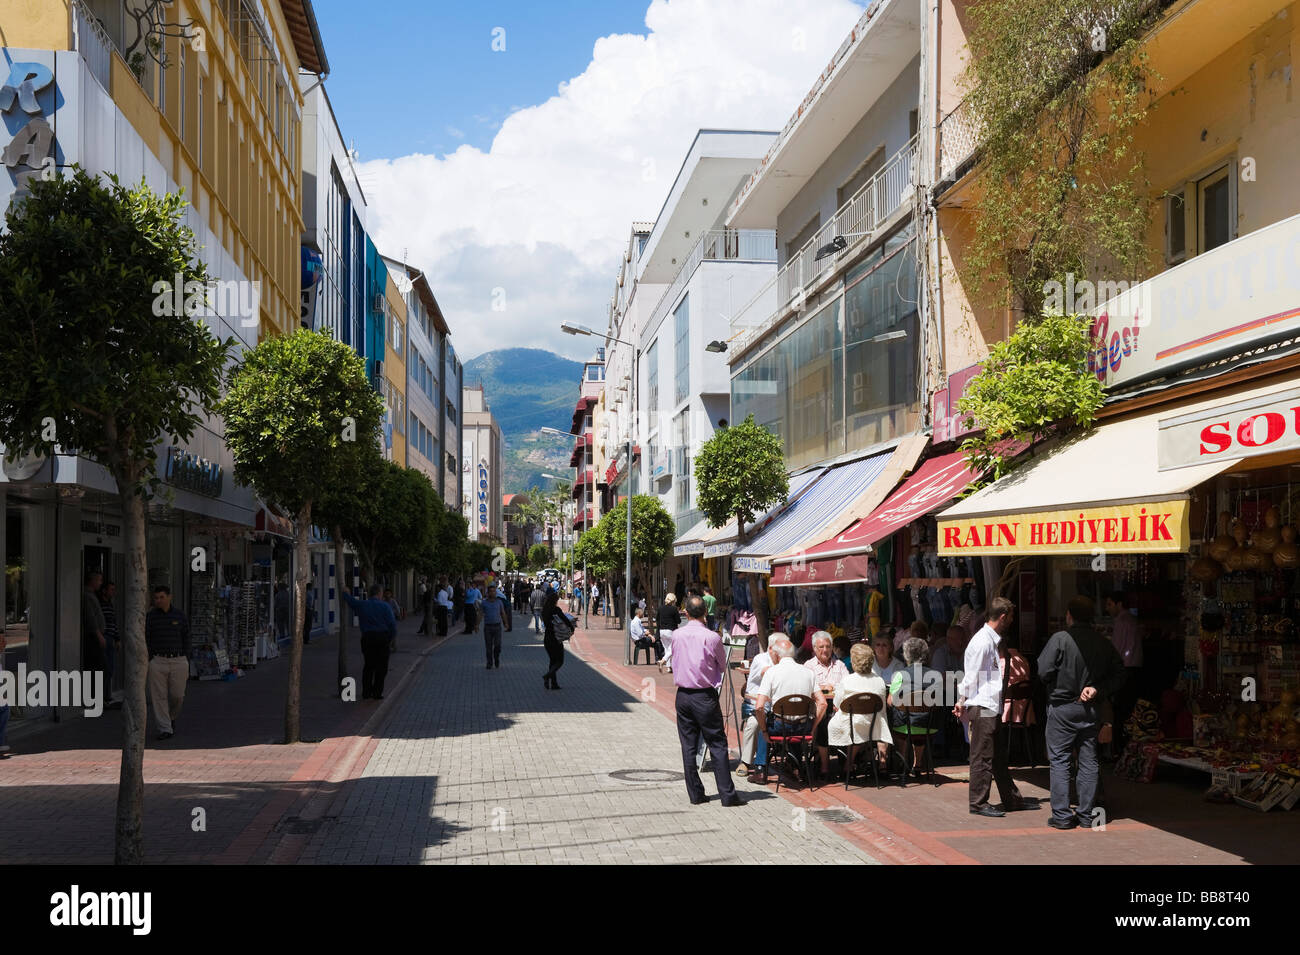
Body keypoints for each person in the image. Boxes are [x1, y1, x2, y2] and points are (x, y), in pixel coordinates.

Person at [1039, 596, 1126, 830]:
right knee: (1089, 761)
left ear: (1069, 615)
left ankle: (1062, 816)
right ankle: (1087, 816)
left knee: (1060, 761)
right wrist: (1097, 688)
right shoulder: (1103, 642)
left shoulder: (1060, 639)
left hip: (1062, 707)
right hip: (1090, 708)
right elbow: (1120, 674)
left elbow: (1043, 670)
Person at [955, 596, 1036, 817]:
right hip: (983, 706)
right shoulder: (982, 641)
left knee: (997, 755)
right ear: (1002, 617)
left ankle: (1011, 799)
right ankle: (978, 802)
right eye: (1010, 617)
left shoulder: (990, 640)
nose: (1011, 621)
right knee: (982, 756)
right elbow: (971, 676)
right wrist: (962, 700)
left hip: (989, 705)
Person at [671, 595, 744, 806]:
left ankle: (695, 794)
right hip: (704, 695)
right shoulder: (712, 637)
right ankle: (727, 795)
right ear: (705, 613)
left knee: (688, 746)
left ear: (685, 613)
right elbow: (722, 664)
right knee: (717, 744)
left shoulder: (677, 635)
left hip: (683, 695)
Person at [754, 636, 826, 786]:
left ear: (776, 654)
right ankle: (796, 765)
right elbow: (823, 703)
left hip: (781, 726)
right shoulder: (808, 672)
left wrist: (765, 731)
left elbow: (759, 707)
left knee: (763, 727)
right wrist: (813, 727)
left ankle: (761, 769)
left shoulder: (772, 672)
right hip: (803, 726)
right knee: (794, 725)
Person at [827, 643, 892, 775]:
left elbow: (837, 703)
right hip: (875, 724)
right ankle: (882, 763)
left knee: (852, 722)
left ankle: (848, 763)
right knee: (878, 719)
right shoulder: (879, 680)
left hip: (854, 724)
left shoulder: (847, 681)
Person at [890, 636, 948, 776]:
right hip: (929, 724)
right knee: (919, 724)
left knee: (897, 720)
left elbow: (891, 701)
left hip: (905, 725)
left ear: (906, 655)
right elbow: (940, 700)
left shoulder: (900, 675)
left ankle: (903, 762)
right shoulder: (936, 676)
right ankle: (918, 763)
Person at [145, 584, 190, 740]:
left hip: (178, 660)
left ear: (169, 597)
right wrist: (151, 658)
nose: (158, 600)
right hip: (158, 661)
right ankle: (165, 728)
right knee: (159, 696)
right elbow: (147, 638)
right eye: (156, 598)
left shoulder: (179, 615)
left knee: (177, 695)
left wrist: (185, 655)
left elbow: (186, 636)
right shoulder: (151, 616)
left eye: (162, 597)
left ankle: (171, 717)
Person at [805, 631, 849, 776]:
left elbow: (847, 685)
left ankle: (845, 761)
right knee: (824, 721)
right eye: (821, 647)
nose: (825, 650)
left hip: (838, 706)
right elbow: (806, 689)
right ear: (814, 649)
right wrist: (822, 689)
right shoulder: (808, 666)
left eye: (828, 646)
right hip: (818, 707)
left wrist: (834, 689)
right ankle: (825, 764)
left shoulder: (840, 665)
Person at [342, 584, 398, 699]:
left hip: (368, 638)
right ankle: (377, 693)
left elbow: (351, 602)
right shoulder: (385, 606)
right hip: (382, 638)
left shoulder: (363, 605)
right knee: (381, 667)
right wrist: (390, 639)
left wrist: (345, 593)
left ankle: (366, 692)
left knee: (369, 666)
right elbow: (392, 625)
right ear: (379, 593)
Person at [1105, 591, 1142, 751]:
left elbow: (1117, 650)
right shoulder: (1131, 620)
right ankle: (1124, 746)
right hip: (1134, 668)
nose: (1107, 608)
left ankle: (1117, 748)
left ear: (1119, 604)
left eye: (1109, 604)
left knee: (1119, 711)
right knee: (1128, 709)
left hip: (1124, 669)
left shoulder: (1121, 621)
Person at [737, 631, 774, 778]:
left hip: (776, 707)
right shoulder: (761, 659)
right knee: (754, 723)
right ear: (771, 648)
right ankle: (746, 762)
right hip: (754, 705)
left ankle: (792, 761)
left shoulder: (783, 660)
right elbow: (768, 673)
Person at [541, 584, 570, 689]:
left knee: (552, 661)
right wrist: (571, 627)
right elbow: (565, 619)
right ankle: (547, 676)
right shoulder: (556, 609)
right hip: (555, 638)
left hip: (547, 638)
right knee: (560, 661)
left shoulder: (544, 610)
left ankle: (553, 683)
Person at [98, 579, 121, 708]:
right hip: (104, 638)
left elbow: (114, 622)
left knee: (110, 668)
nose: (114, 592)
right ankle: (103, 697)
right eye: (111, 589)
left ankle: (107, 696)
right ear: (104, 591)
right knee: (105, 668)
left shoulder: (110, 605)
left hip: (111, 638)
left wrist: (117, 639)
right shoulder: (100, 605)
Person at [81, 569, 107, 679]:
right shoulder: (87, 595)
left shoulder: (91, 595)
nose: (101, 583)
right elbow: (90, 617)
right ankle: (92, 695)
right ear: (93, 580)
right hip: (93, 638)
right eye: (99, 580)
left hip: (95, 637)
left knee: (98, 668)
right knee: (94, 668)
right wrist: (99, 635)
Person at [480, 582, 512, 669]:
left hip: (497, 627)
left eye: (494, 591)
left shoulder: (499, 602)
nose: (492, 593)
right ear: (488, 593)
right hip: (488, 627)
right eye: (490, 591)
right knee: (488, 646)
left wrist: (506, 623)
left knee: (497, 645)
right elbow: (480, 614)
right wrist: (476, 625)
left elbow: (503, 613)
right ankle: (489, 662)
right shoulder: (484, 603)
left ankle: (496, 657)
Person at [657, 592, 681, 673]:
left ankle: (668, 667)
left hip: (661, 631)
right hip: (670, 631)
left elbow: (657, 619)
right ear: (673, 600)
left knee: (667, 649)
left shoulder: (660, 608)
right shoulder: (674, 609)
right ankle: (662, 660)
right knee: (672, 648)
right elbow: (678, 620)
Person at [303, 581, 317, 645]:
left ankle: (306, 639)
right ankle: (306, 640)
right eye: (311, 586)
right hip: (307, 610)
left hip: (309, 610)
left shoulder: (310, 593)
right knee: (308, 626)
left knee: (307, 626)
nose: (312, 588)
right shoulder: (308, 593)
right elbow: (305, 603)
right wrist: (309, 608)